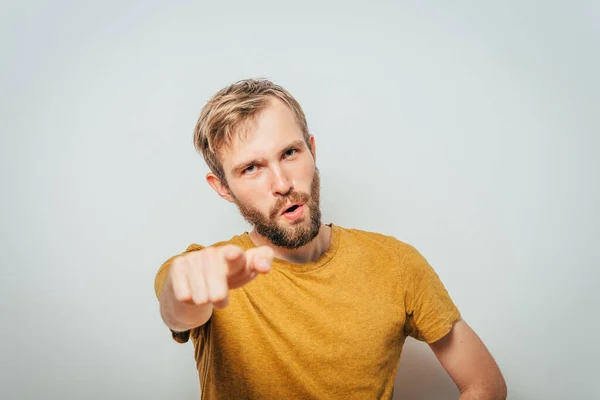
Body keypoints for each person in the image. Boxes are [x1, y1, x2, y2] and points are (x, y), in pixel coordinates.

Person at [153, 78, 507, 399]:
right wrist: (184, 290)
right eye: (251, 169)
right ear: (222, 188)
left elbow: (485, 385)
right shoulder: (204, 269)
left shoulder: (395, 263)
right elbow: (179, 306)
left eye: (290, 153)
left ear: (312, 149)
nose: (282, 183)